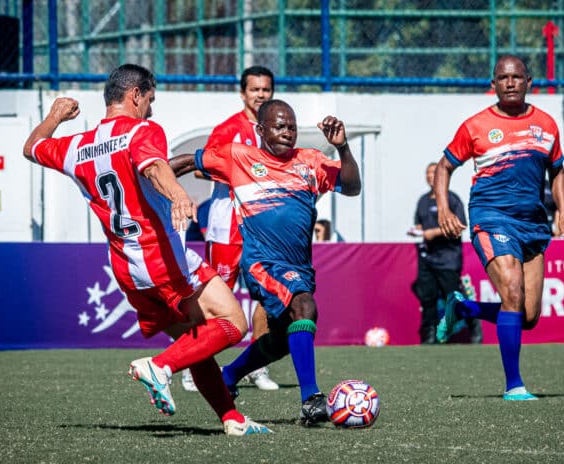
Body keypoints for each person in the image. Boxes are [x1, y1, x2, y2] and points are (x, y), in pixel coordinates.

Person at [22, 64, 271, 436]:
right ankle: (159, 367)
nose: (151, 109)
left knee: (196, 339)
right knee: (233, 323)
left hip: (126, 269)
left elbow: (32, 148)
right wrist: (178, 194)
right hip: (161, 258)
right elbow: (154, 167)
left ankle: (231, 419)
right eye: (150, 100)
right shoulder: (141, 130)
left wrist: (55, 116)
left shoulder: (76, 147)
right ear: (135, 95)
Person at [170, 99, 361, 424]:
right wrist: (148, 181)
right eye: (279, 126)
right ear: (260, 130)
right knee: (304, 307)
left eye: (292, 126)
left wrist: (341, 148)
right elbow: (188, 162)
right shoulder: (238, 157)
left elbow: (353, 187)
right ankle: (311, 400)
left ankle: (228, 377)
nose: (288, 132)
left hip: (299, 267)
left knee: (281, 339)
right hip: (261, 263)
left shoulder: (311, 161)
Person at [433, 55, 564, 400]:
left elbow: (557, 172)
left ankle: (465, 308)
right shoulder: (476, 126)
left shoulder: (547, 125)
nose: (510, 82)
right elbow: (444, 167)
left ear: (529, 82)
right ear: (492, 85)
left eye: (516, 77)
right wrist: (442, 208)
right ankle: (515, 386)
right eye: (502, 78)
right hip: (491, 216)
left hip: (533, 224)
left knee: (528, 316)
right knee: (511, 292)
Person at [180, 65, 279, 393]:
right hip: (227, 226)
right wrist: (240, 173)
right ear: (243, 93)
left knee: (265, 297)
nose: (261, 95)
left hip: (261, 225)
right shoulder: (228, 129)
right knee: (216, 297)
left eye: (266, 89)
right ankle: (192, 365)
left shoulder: (276, 129)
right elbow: (199, 170)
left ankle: (257, 367)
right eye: (255, 89)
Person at [408, 161, 480, 344]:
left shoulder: (452, 199)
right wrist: (417, 230)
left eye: (434, 173)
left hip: (448, 258)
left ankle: (473, 325)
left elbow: (460, 226)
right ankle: (429, 335)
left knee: (453, 298)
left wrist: (435, 233)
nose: (430, 176)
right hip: (427, 257)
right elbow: (419, 224)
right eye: (428, 173)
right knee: (428, 298)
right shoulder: (423, 201)